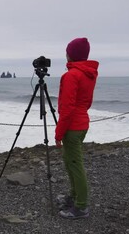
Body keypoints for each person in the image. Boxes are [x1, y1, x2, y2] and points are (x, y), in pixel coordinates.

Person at [55, 37, 99, 219]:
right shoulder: (89, 74)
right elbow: (86, 102)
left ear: (70, 54)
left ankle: (81, 206)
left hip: (72, 127)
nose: (65, 54)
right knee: (71, 162)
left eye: (67, 52)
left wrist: (58, 133)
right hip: (82, 124)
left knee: (75, 165)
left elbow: (67, 109)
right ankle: (73, 197)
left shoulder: (72, 75)